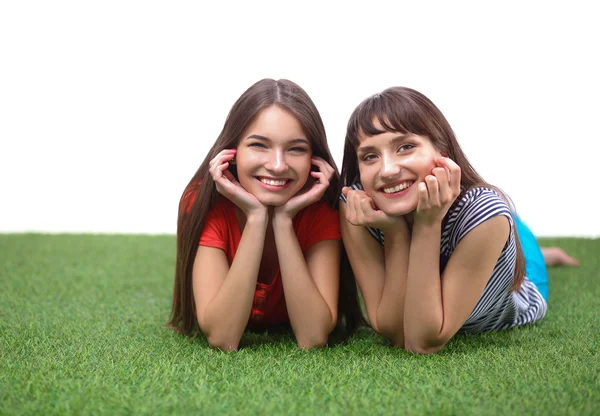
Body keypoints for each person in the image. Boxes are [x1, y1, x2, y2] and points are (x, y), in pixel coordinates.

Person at [338, 86, 576, 355]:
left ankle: (538, 252)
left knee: (515, 234)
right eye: (370, 156)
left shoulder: (485, 215)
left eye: (405, 147)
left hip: (519, 279)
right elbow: (395, 330)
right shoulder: (358, 204)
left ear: (442, 150)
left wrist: (428, 223)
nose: (388, 170)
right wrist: (396, 232)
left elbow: (422, 341)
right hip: (473, 241)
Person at [167, 79, 361, 351]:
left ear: (313, 159)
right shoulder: (203, 202)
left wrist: (283, 221)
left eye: (296, 149)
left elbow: (313, 336)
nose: (278, 165)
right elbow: (223, 337)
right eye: (259, 145)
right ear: (231, 153)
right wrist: (257, 218)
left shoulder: (323, 207)